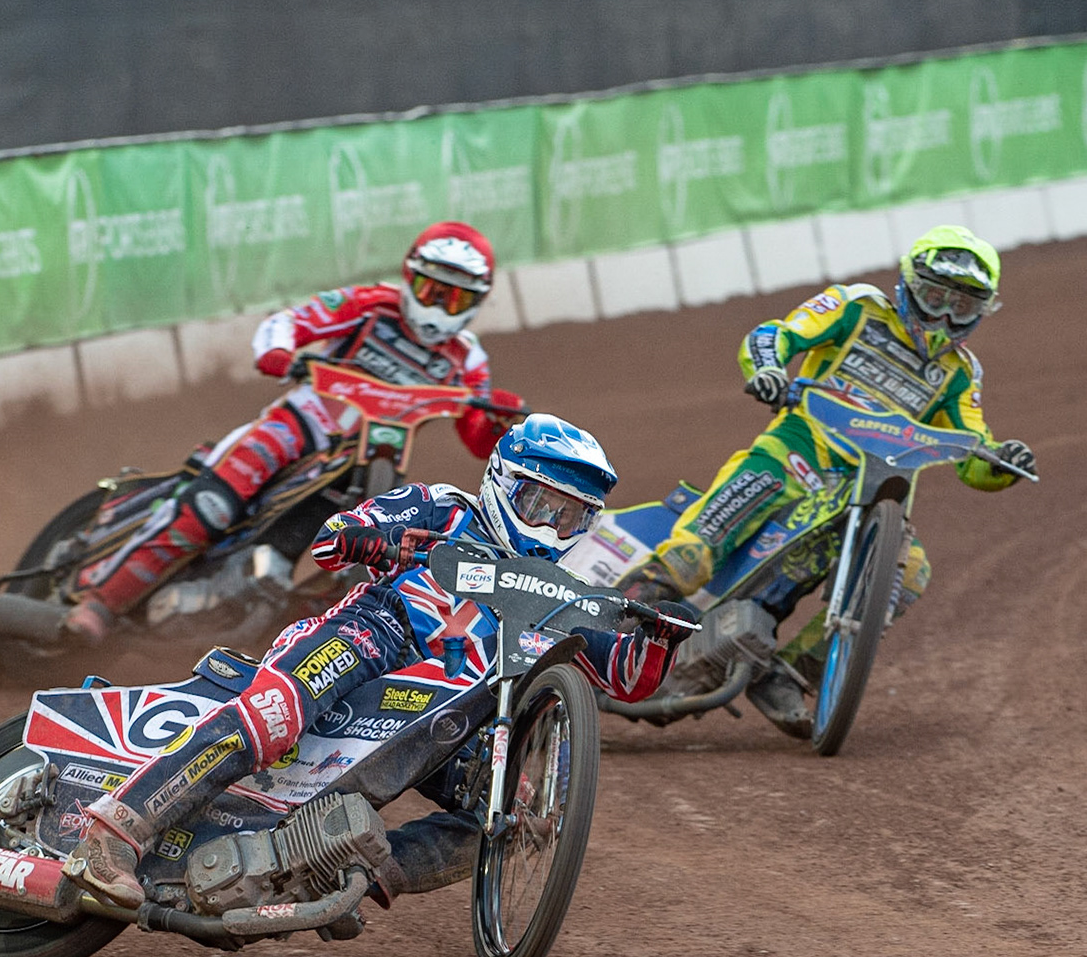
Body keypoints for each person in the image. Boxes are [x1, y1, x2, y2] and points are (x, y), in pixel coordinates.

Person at [61, 414, 698, 909]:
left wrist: (663, 632)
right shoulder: (448, 507)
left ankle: (338, 872)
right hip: (375, 632)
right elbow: (332, 539)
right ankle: (114, 832)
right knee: (280, 710)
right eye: (541, 506)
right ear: (505, 483)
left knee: (506, 811)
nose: (553, 527)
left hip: (451, 708)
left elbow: (625, 677)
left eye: (572, 517)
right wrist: (384, 538)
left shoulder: (566, 593)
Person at [619, 225, 1038, 737]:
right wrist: (769, 368)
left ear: (981, 312)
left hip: (869, 489)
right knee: (696, 551)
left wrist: (1000, 461)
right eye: (934, 297)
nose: (944, 316)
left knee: (908, 574)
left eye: (962, 307)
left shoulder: (960, 373)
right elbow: (777, 334)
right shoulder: (858, 306)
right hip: (796, 450)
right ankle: (621, 613)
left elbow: (973, 450)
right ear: (909, 284)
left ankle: (787, 672)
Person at [62, 221, 525, 643]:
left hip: (374, 461)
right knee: (211, 504)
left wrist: (499, 422)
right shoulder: (367, 306)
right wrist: (278, 353)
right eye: (431, 289)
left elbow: (477, 439)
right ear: (409, 277)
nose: (440, 307)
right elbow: (287, 323)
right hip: (296, 427)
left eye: (457, 298)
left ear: (476, 302)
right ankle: (100, 603)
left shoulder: (467, 359)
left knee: (385, 546)